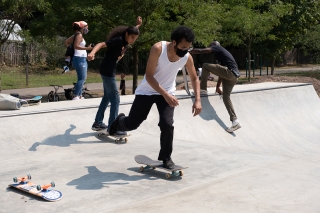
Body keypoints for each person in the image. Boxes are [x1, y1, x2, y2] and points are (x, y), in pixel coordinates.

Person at [108, 26, 202, 169]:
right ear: (174, 42)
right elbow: (149, 76)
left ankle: (166, 158)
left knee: (167, 124)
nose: (185, 51)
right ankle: (120, 121)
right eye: (183, 47)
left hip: (167, 92)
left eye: (188, 48)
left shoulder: (187, 57)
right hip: (148, 90)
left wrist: (198, 100)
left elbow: (195, 79)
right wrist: (165, 95)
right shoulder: (158, 49)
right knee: (132, 124)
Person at [87, 16, 142, 134]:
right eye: (132, 37)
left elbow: (133, 30)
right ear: (126, 34)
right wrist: (92, 53)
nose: (133, 40)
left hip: (107, 69)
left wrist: (137, 25)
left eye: (135, 39)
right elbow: (101, 44)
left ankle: (97, 123)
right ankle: (113, 127)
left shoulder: (127, 37)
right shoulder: (118, 41)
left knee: (107, 96)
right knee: (115, 98)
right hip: (107, 71)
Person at [190, 41, 241, 133]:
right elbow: (221, 74)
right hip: (233, 77)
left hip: (229, 72)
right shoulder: (222, 56)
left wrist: (189, 50)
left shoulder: (218, 48)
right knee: (226, 97)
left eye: (211, 47)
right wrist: (217, 87)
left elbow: (202, 51)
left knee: (205, 66)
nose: (211, 49)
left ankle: (203, 89)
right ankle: (235, 121)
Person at [65, 21, 93, 100]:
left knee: (81, 78)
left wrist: (70, 49)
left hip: (80, 58)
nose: (87, 29)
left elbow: (67, 42)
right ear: (82, 27)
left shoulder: (76, 35)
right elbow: (76, 46)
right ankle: (76, 95)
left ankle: (80, 95)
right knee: (82, 78)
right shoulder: (79, 35)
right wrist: (88, 48)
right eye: (86, 27)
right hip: (79, 59)